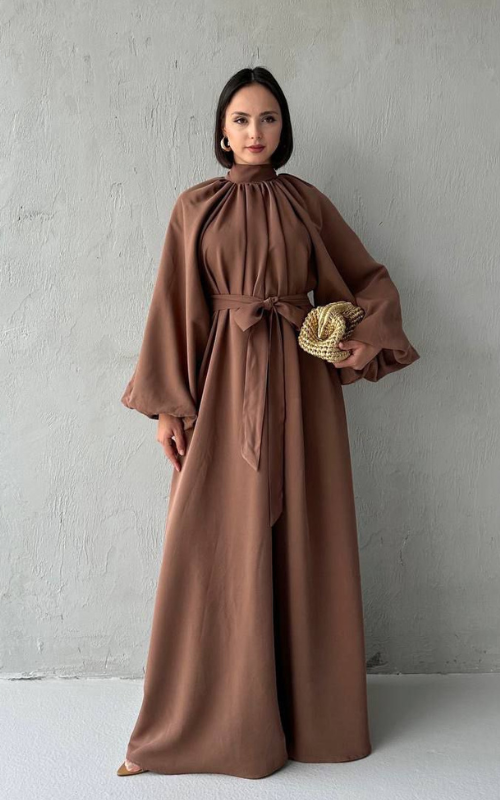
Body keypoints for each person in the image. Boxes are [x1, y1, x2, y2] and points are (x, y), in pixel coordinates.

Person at [117, 66, 420, 780]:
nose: (256, 132)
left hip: (302, 385)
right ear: (222, 131)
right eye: (242, 119)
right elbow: (175, 307)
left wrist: (360, 338)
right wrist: (169, 406)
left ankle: (314, 721)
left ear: (284, 129)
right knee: (213, 541)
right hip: (223, 387)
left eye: (269, 118)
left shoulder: (308, 203)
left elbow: (370, 279)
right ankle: (199, 729)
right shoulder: (194, 207)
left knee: (307, 534)